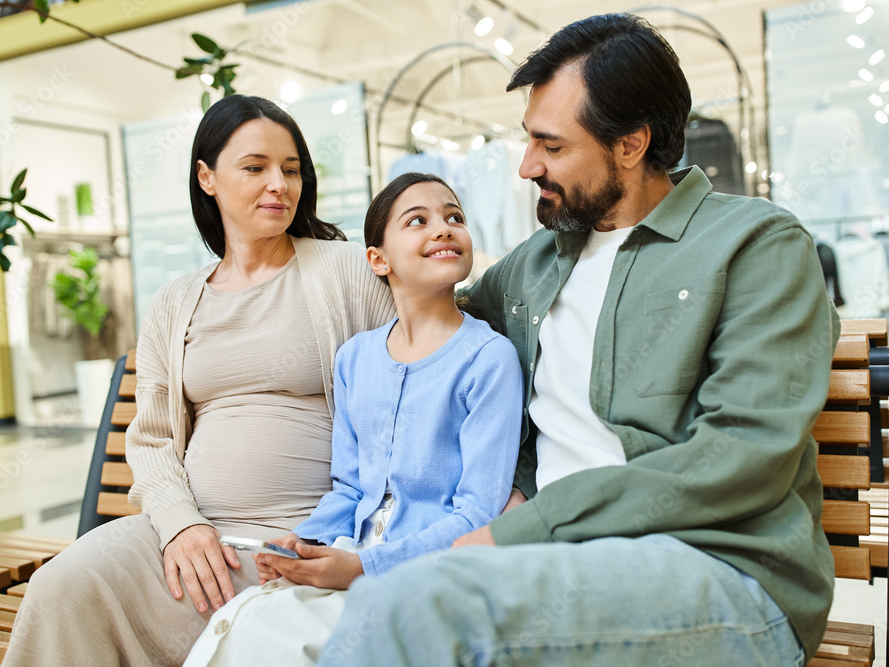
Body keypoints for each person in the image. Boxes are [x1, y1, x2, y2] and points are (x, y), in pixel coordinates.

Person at [318, 14, 839, 666]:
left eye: (552, 146)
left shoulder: (756, 245)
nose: (527, 166)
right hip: (548, 569)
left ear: (630, 144)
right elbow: (425, 328)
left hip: (717, 568)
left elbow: (739, 457)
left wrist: (525, 526)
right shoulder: (529, 269)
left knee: (410, 604)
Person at [1, 95, 397, 667]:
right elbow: (153, 438)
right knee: (61, 587)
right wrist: (181, 525)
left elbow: (430, 349)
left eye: (291, 169)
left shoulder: (349, 272)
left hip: (300, 544)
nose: (279, 184)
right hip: (188, 536)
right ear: (207, 177)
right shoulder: (174, 301)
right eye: (256, 167)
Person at [183, 172, 524, 666]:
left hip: (431, 577)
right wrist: (304, 542)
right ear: (378, 260)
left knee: (270, 639)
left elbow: (478, 513)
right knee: (249, 627)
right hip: (353, 561)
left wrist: (362, 566)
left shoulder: (489, 359)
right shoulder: (355, 359)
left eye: (454, 217)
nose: (444, 228)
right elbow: (348, 488)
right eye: (418, 220)